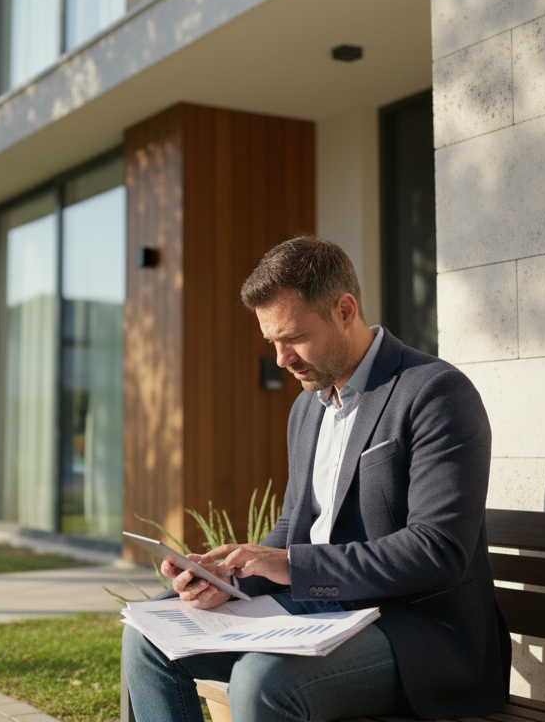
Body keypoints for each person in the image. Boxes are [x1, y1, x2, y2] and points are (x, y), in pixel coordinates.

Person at [122, 236, 508, 722]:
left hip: (416, 630)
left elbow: (438, 550)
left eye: (294, 337)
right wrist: (233, 579)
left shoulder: (435, 393)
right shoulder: (308, 407)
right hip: (320, 612)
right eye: (272, 341)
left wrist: (292, 566)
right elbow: (294, 525)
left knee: (262, 680)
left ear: (345, 311)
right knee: (148, 635)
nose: (281, 358)